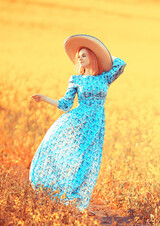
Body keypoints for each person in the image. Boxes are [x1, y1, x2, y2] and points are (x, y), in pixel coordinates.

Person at [29, 34, 127, 211]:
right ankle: (59, 195)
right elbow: (65, 104)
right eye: (78, 56)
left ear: (92, 58)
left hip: (95, 125)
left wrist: (101, 53)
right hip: (76, 122)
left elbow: (120, 63)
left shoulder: (105, 77)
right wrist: (44, 98)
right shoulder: (75, 79)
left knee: (88, 162)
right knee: (72, 158)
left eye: (84, 55)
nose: (80, 58)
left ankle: (74, 201)